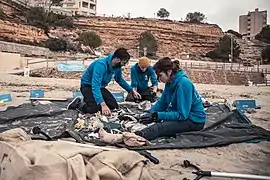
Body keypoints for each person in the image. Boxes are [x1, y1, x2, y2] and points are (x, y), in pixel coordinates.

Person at [135, 57, 206, 140]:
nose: (159, 79)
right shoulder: (170, 83)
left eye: (160, 75)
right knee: (154, 121)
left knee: (159, 128)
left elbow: (182, 115)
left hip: (194, 120)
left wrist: (157, 116)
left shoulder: (184, 84)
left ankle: (135, 137)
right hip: (183, 115)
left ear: (169, 72)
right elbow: (162, 103)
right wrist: (148, 113)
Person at [67, 48, 141, 116]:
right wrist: (103, 105)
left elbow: (119, 79)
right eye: (124, 63)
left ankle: (90, 100)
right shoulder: (101, 65)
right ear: (118, 59)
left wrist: (131, 90)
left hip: (101, 87)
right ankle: (79, 104)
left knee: (114, 106)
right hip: (88, 86)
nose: (124, 65)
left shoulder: (117, 67)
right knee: (94, 109)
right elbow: (95, 86)